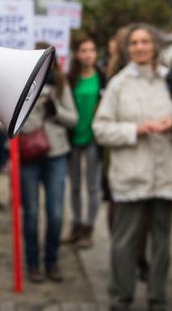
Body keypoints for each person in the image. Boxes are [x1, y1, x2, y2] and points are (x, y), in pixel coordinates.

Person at [93, 23, 172, 311]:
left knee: (161, 242)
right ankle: (120, 297)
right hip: (131, 174)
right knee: (124, 241)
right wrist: (135, 130)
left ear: (155, 46)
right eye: (134, 43)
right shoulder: (118, 84)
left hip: (166, 174)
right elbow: (100, 129)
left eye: (145, 42)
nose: (139, 47)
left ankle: (157, 297)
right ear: (127, 48)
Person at [19, 45, 77, 283]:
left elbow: (74, 119)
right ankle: (33, 263)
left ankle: (52, 261)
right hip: (29, 156)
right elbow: (3, 123)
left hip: (56, 155)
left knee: (55, 213)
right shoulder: (20, 82)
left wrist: (56, 111)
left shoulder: (61, 85)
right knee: (31, 213)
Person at [64, 35, 106, 249]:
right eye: (84, 50)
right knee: (74, 186)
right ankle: (76, 225)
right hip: (73, 137)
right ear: (77, 55)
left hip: (93, 139)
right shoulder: (70, 78)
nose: (89, 54)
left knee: (92, 186)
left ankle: (89, 228)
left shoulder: (103, 78)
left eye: (92, 50)